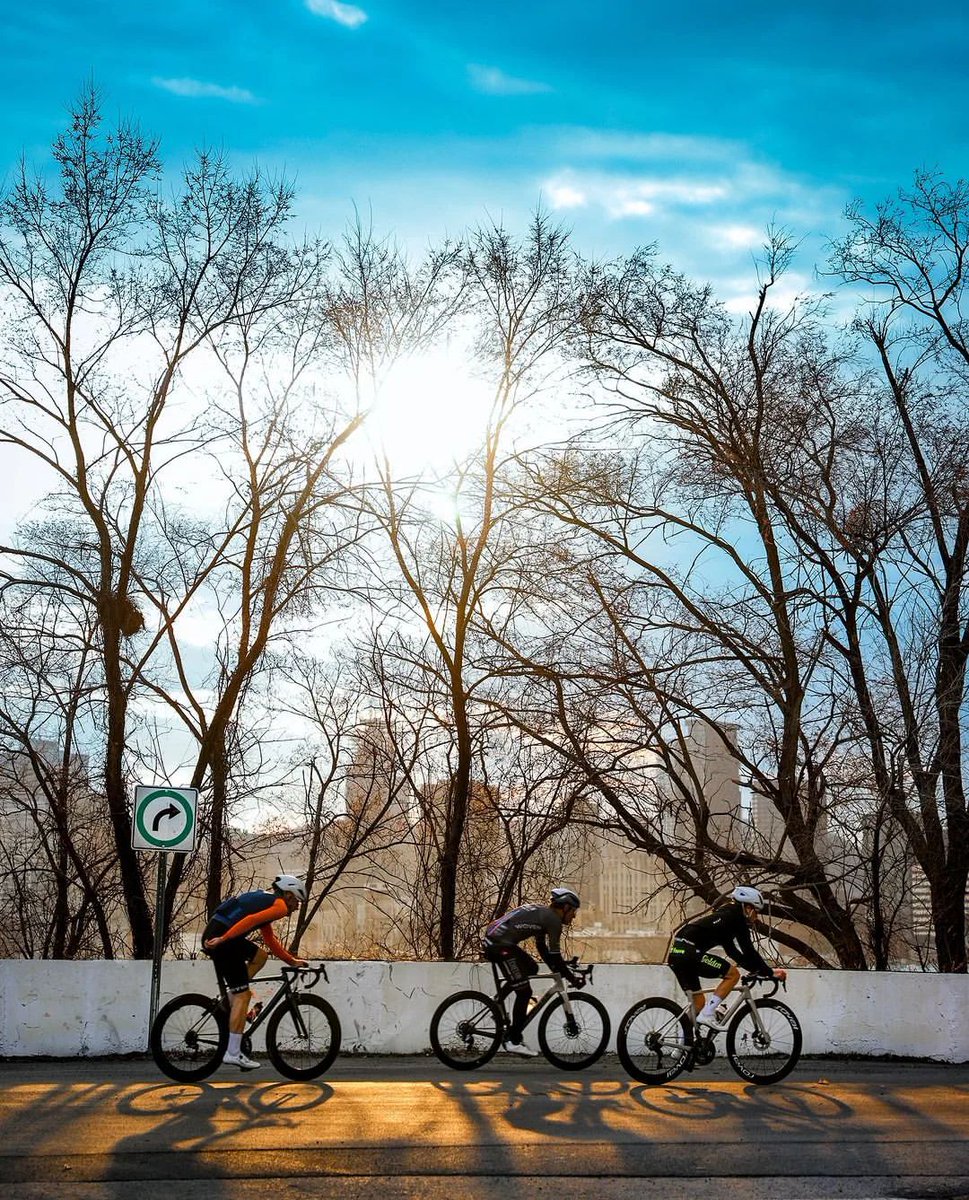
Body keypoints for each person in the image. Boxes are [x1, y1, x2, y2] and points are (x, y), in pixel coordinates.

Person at [202, 873, 309, 1070]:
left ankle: (233, 994)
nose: (296, 907)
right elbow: (250, 920)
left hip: (219, 933)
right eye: (297, 901)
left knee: (261, 956)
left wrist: (291, 961)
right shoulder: (279, 906)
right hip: (221, 938)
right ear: (288, 895)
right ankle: (233, 1053)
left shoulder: (268, 903)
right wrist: (223, 939)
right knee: (244, 995)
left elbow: (270, 941)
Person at [667, 885, 787, 1031]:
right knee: (733, 974)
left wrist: (758, 970)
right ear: (748, 908)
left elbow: (733, 953)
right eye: (756, 912)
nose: (756, 917)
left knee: (698, 1004)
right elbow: (749, 951)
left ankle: (681, 1048)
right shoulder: (737, 919)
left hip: (677, 954)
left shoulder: (726, 916)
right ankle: (708, 1013)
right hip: (690, 953)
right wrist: (769, 972)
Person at [482, 887, 583, 1056]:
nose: (574, 916)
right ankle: (513, 1040)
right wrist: (572, 978)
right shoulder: (553, 921)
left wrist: (558, 968)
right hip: (500, 945)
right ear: (565, 908)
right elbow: (555, 955)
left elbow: (542, 948)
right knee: (524, 992)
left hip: (497, 940)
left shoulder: (543, 913)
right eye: (573, 911)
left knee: (531, 968)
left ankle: (497, 1002)